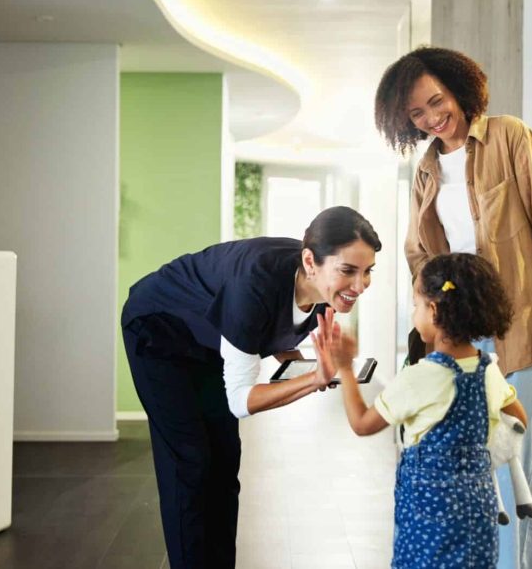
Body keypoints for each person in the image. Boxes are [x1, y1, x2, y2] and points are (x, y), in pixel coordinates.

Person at [375, 46, 532, 568]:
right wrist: (428, 335)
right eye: (416, 114)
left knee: (526, 478)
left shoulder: (511, 136)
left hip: (525, 330)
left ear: (459, 89)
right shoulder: (426, 169)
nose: (431, 117)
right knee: (475, 480)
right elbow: (420, 256)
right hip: (465, 340)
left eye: (436, 101)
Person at [120, 206, 381, 569]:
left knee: (225, 462)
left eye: (368, 272)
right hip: (158, 331)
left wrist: (305, 364)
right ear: (310, 261)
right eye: (348, 271)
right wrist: (314, 378)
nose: (359, 286)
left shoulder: (321, 289)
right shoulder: (255, 283)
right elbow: (241, 400)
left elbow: (273, 329)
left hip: (208, 340)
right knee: (190, 464)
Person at [313, 253, 527, 568]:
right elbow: (519, 419)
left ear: (434, 310)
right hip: (478, 509)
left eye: (416, 305)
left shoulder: (421, 377)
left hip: (430, 515)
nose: (414, 313)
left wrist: (345, 368)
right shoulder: (489, 370)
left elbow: (362, 423)